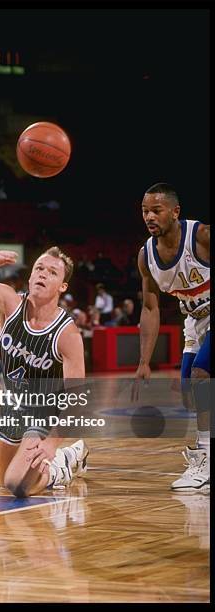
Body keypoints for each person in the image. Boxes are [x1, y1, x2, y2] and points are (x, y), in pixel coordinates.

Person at [0, 246, 89, 498]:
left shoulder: (67, 334)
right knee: (2, 479)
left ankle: (60, 466)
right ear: (30, 276)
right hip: (13, 408)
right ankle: (68, 455)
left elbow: (77, 399)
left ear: (62, 286)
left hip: (44, 414)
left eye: (52, 272)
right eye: (39, 268)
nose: (42, 274)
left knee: (18, 485)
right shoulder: (8, 301)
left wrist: (52, 443)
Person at [136, 182, 210, 492]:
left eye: (156, 210)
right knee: (189, 395)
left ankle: (205, 459)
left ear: (175, 212)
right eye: (144, 211)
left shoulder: (202, 236)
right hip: (194, 322)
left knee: (201, 376)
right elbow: (150, 308)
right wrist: (144, 361)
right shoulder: (146, 256)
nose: (149, 217)